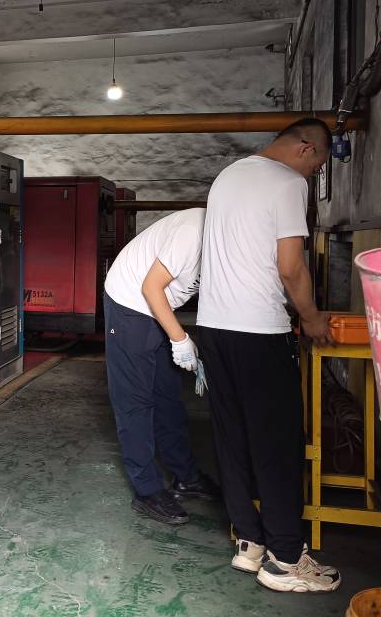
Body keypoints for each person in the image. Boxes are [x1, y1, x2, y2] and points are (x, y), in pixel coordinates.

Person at [196, 117, 339, 593]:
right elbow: (290, 266)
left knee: (232, 438)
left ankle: (250, 543)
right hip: (258, 330)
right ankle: (285, 558)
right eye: (318, 166)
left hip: (213, 327)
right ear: (306, 148)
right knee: (277, 445)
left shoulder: (228, 175)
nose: (314, 174)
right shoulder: (287, 183)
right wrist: (312, 317)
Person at [103, 207, 220, 526]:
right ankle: (147, 489)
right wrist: (180, 339)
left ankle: (186, 476)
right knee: (135, 400)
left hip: (160, 305)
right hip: (131, 302)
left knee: (167, 396)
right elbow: (151, 288)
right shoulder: (193, 232)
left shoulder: (231, 238)